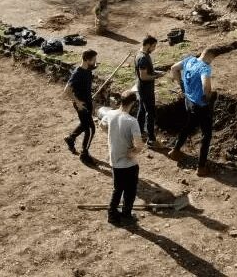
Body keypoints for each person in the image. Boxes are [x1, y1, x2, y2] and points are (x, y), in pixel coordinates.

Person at [167, 45, 225, 177]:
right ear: (210, 57)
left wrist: (181, 84)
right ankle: (201, 167)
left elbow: (173, 68)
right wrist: (208, 98)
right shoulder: (205, 67)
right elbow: (206, 86)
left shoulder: (189, 60)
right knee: (206, 135)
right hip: (200, 105)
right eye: (212, 59)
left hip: (189, 100)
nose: (211, 62)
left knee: (189, 125)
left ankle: (175, 151)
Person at [99, 90, 143, 226]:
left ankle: (111, 215)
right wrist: (133, 153)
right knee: (130, 190)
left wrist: (112, 134)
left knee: (117, 189)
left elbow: (101, 125)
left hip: (114, 160)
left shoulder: (110, 114)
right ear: (133, 103)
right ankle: (126, 214)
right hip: (129, 163)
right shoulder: (132, 121)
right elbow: (139, 145)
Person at [64, 49, 98, 164]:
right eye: (93, 60)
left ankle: (70, 138)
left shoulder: (88, 68)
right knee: (90, 129)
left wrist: (94, 64)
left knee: (84, 125)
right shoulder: (77, 73)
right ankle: (84, 154)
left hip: (88, 102)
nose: (95, 62)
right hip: (81, 104)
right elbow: (67, 90)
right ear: (87, 60)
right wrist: (78, 103)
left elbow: (93, 66)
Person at [135, 36, 164, 147]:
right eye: (153, 46)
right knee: (150, 113)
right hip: (145, 89)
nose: (154, 48)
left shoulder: (142, 55)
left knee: (142, 110)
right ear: (147, 45)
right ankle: (151, 139)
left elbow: (147, 72)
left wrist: (156, 72)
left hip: (143, 88)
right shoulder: (142, 58)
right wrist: (156, 76)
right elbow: (143, 76)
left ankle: (139, 132)